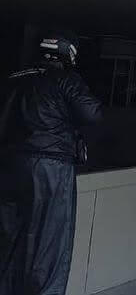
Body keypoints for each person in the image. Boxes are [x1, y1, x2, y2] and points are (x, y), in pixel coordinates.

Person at [0, 31, 104, 295]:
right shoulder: (64, 79)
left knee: (9, 235)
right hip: (50, 167)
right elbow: (92, 113)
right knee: (49, 242)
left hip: (10, 164)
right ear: (68, 55)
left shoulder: (14, 78)